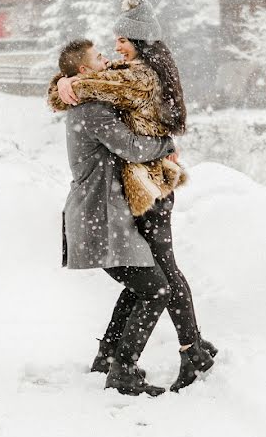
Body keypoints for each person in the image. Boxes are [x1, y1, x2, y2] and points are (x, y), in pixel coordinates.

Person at [49, 0, 217, 392]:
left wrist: (69, 82)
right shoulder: (116, 83)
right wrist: (64, 82)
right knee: (154, 279)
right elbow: (91, 88)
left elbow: (99, 91)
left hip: (150, 188)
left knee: (161, 275)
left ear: (140, 41)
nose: (113, 50)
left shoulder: (138, 77)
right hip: (137, 191)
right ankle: (126, 358)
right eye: (108, 47)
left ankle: (184, 352)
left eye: (122, 40)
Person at [53, 38, 175, 397]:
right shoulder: (91, 110)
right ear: (83, 70)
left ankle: (108, 358)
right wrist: (166, 144)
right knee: (156, 290)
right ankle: (123, 369)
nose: (106, 58)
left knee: (141, 286)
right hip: (99, 218)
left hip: (101, 217)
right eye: (98, 57)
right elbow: (132, 147)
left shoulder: (86, 102)